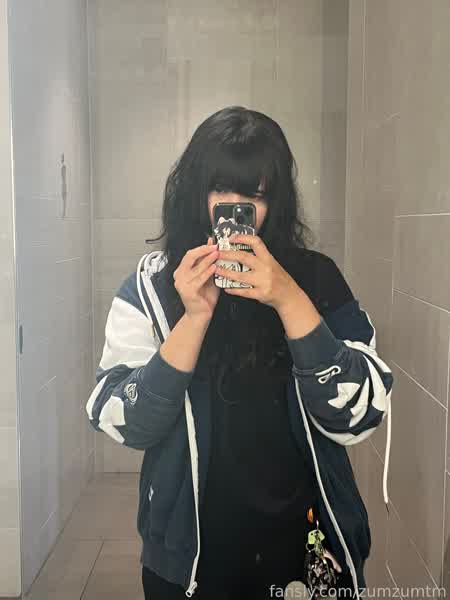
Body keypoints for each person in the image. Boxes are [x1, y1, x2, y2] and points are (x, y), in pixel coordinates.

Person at [85, 106, 394, 600]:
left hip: (306, 547)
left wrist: (289, 298)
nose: (234, 208)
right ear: (195, 192)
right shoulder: (153, 286)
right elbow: (124, 421)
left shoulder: (315, 278)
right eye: (220, 189)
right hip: (190, 560)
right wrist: (194, 318)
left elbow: (359, 416)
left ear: (276, 201)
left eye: (254, 195)